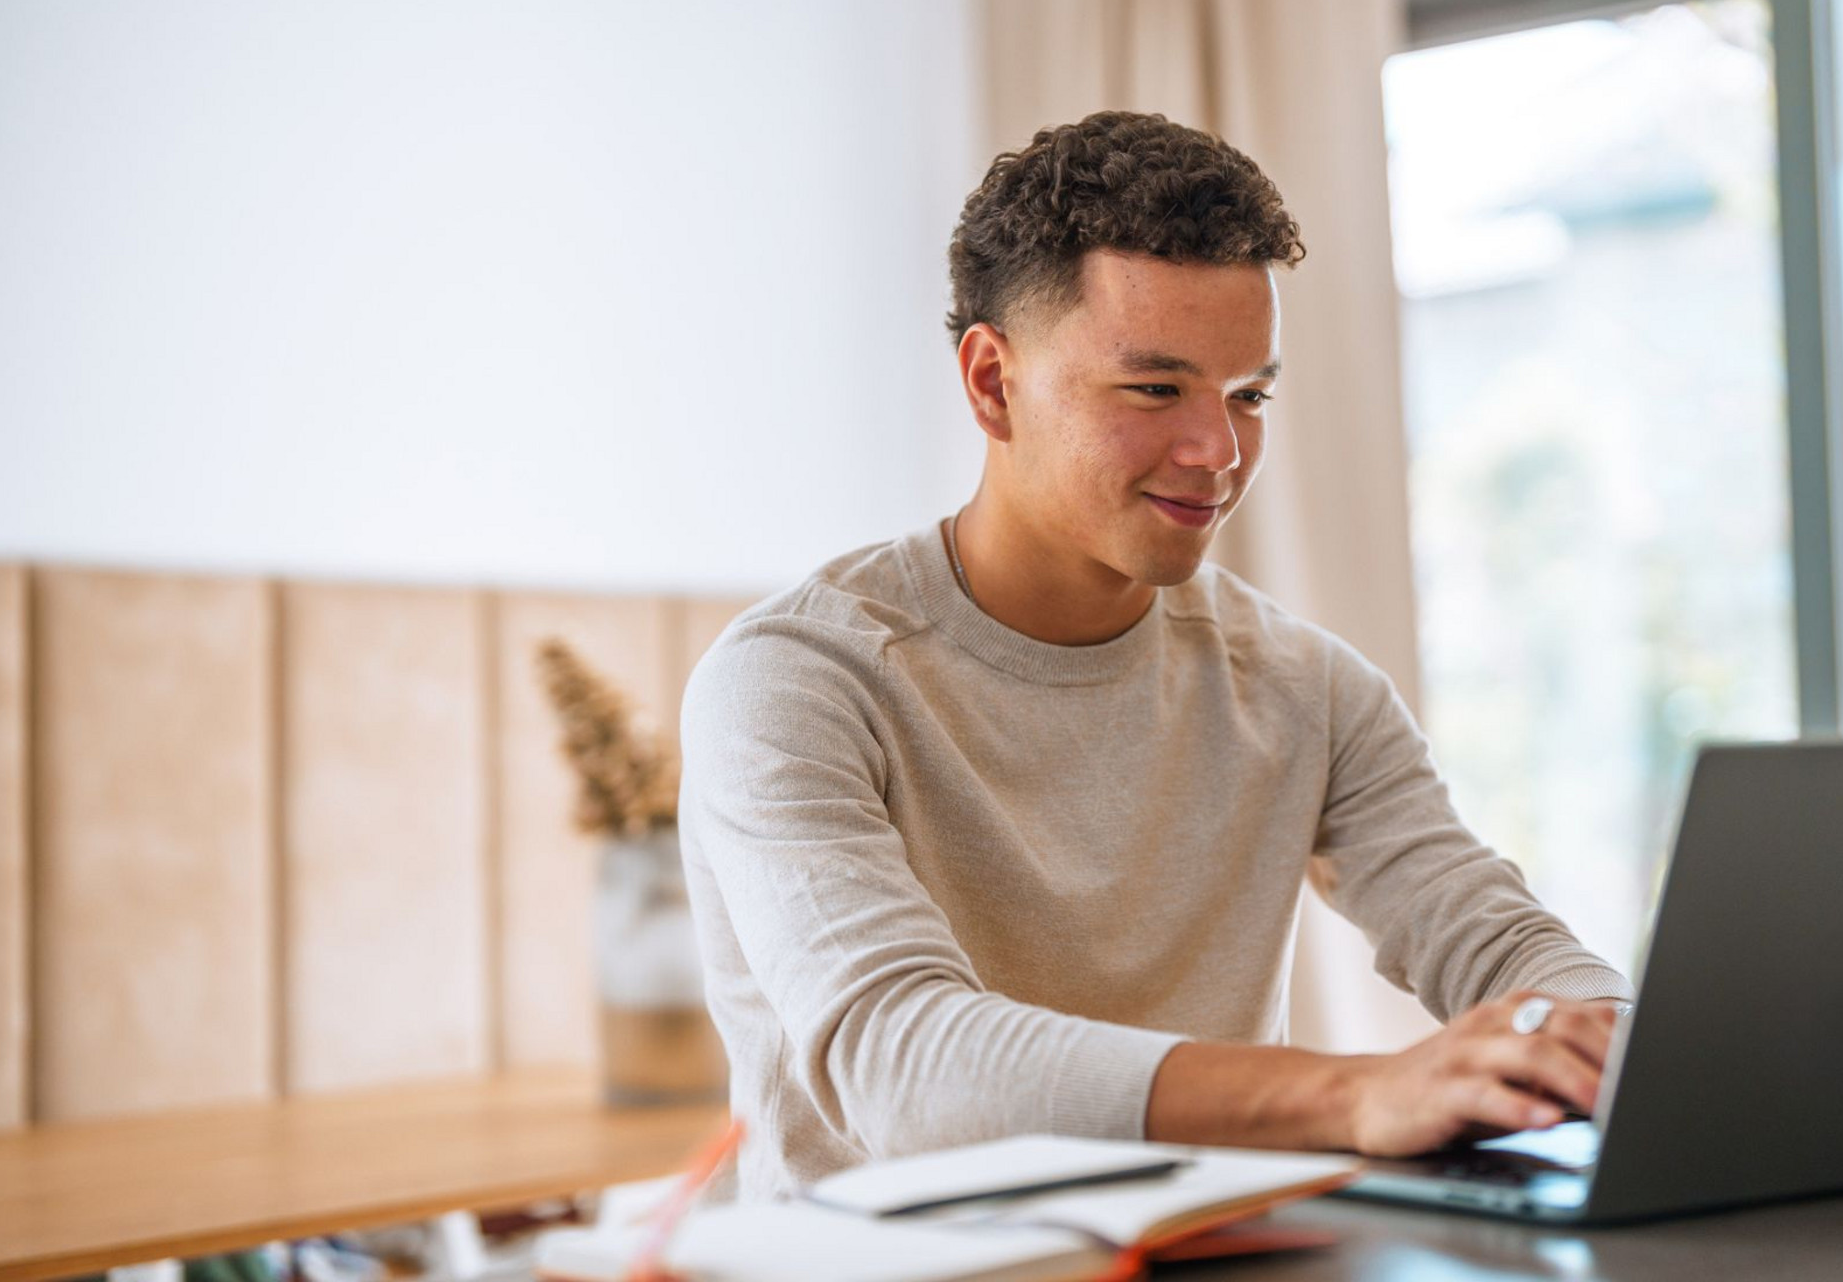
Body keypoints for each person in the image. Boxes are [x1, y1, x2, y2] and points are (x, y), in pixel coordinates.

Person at [679, 110, 1632, 1200]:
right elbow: (904, 1070)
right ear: (991, 382)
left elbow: (1495, 940)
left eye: (1248, 396)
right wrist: (1352, 1094)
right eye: (1155, 389)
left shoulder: (1306, 689)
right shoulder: (795, 681)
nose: (1218, 452)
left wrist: (1606, 1042)